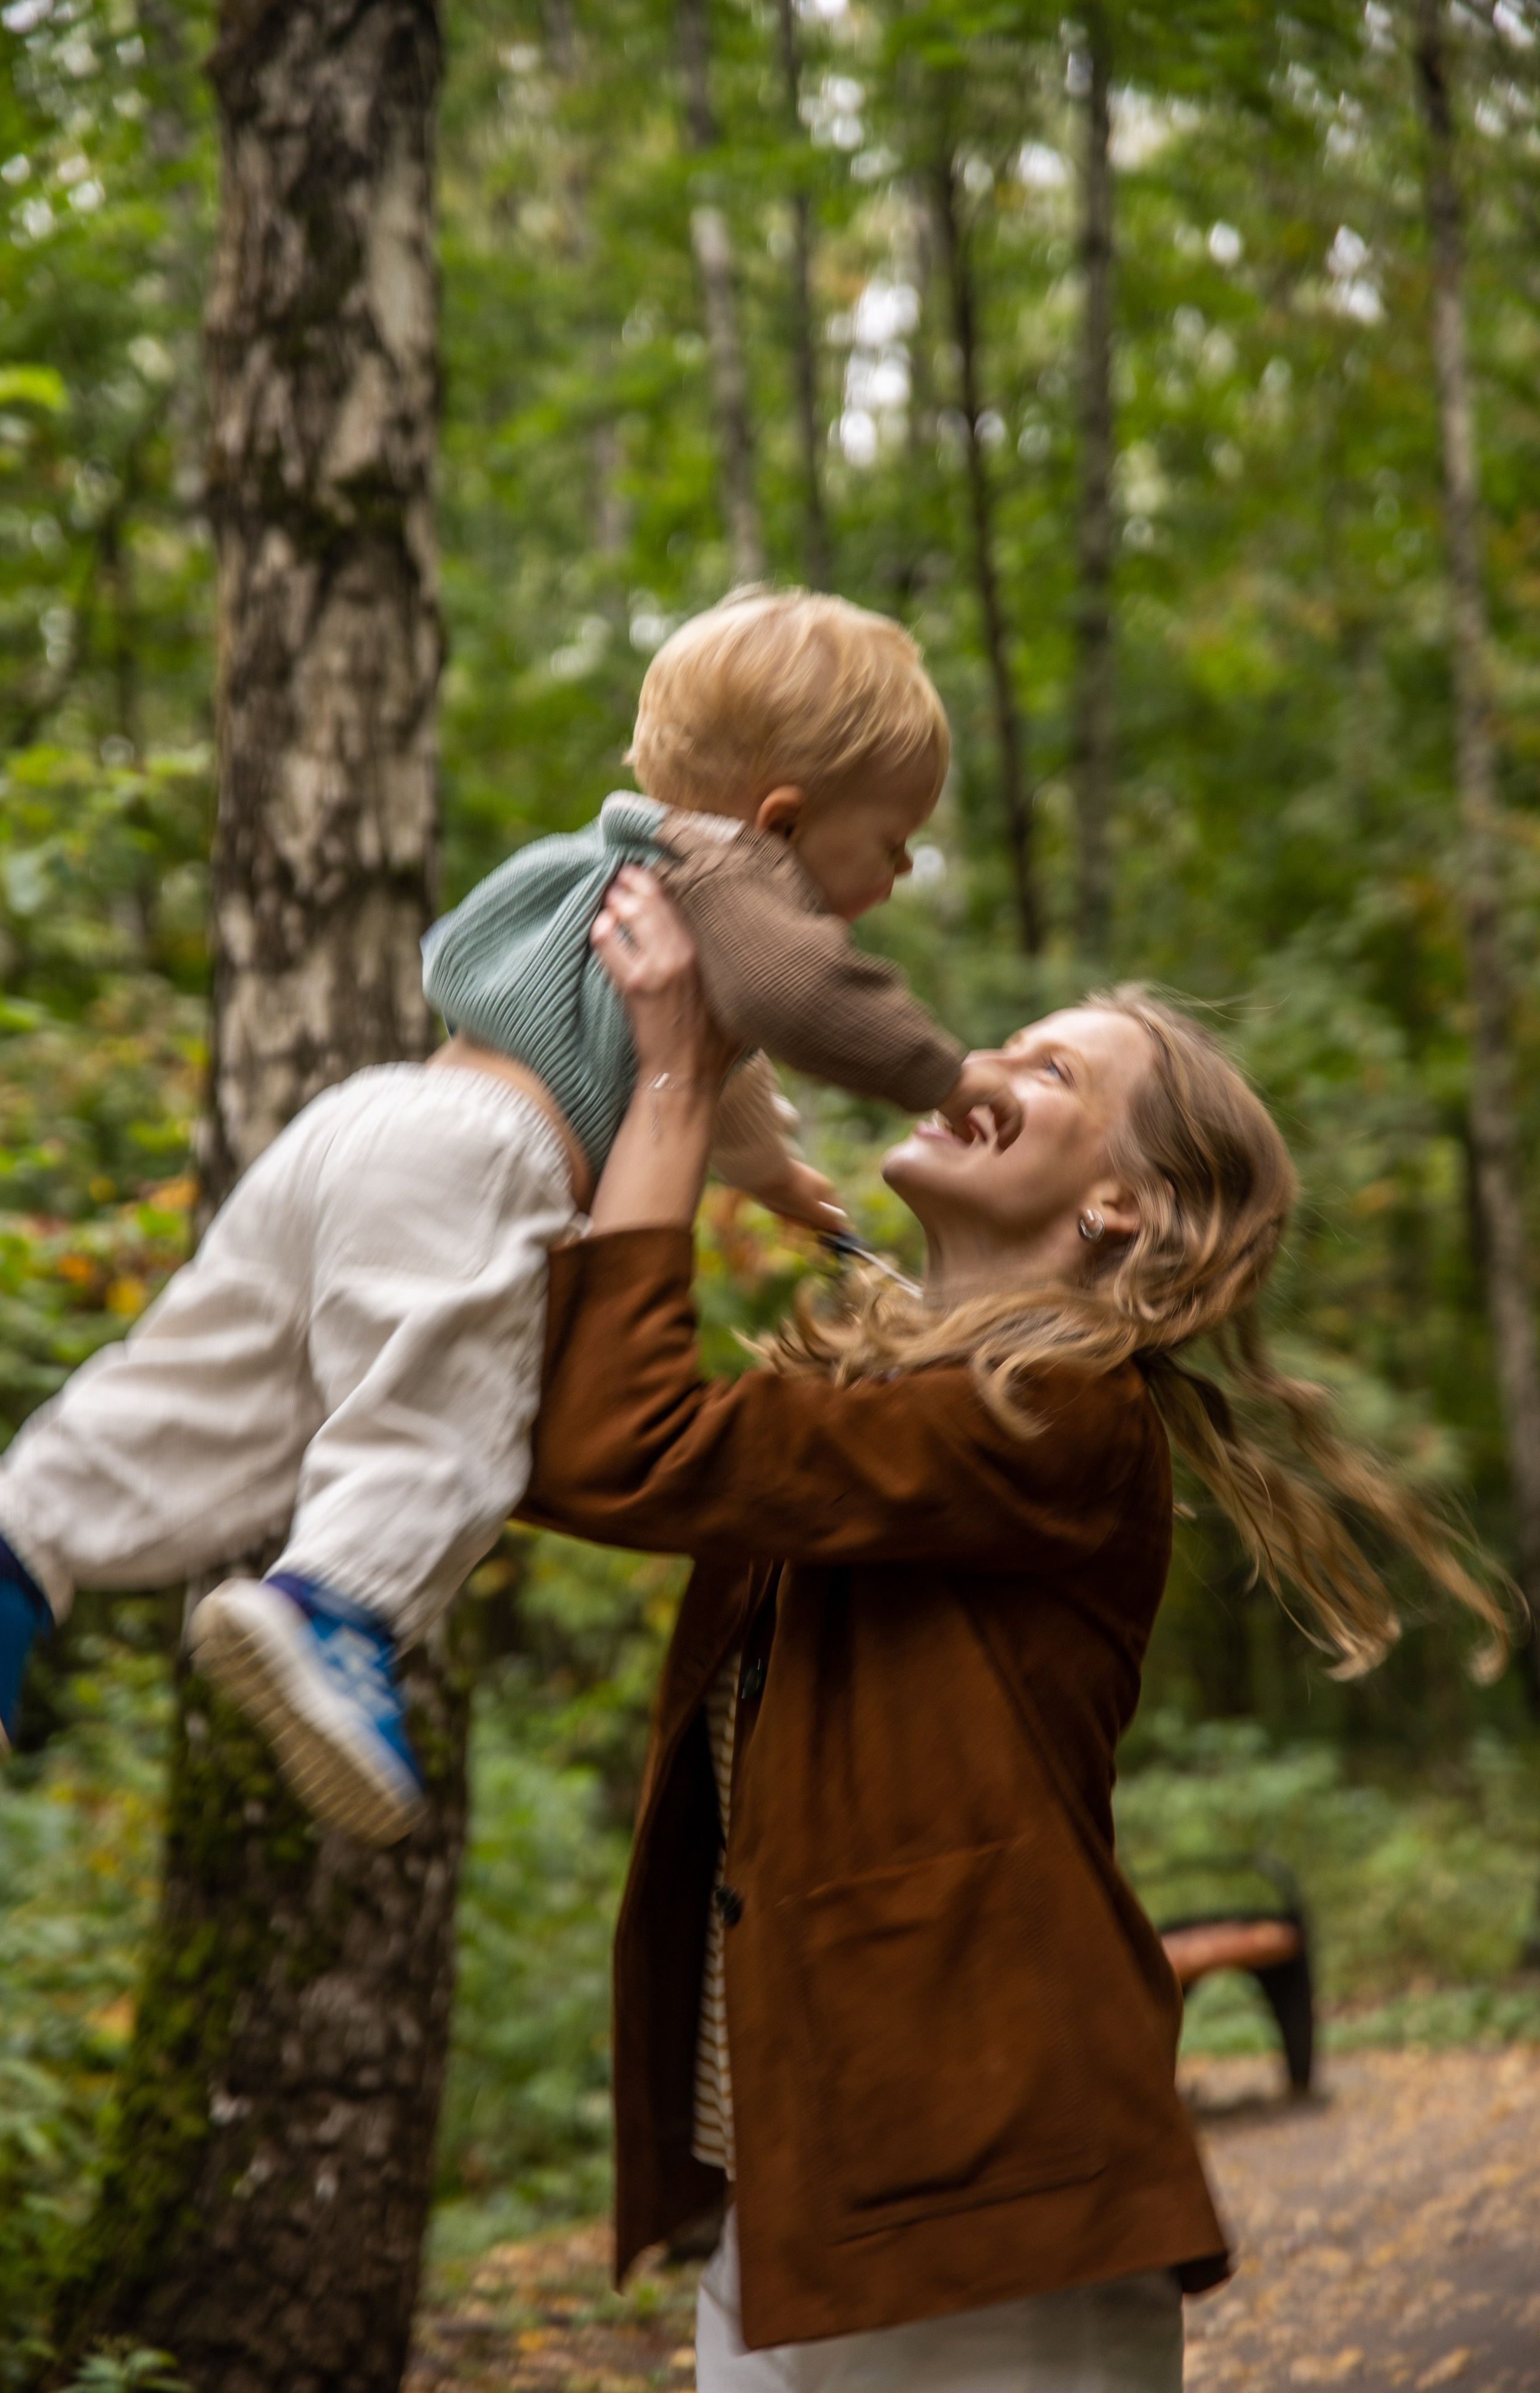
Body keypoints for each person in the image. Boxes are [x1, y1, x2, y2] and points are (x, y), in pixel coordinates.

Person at [521, 866, 1509, 2393]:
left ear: (1120, 1206)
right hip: (816, 2188)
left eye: (1048, 1070)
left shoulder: (1055, 1419)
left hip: (981, 2196)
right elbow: (572, 1424)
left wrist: (667, 1080)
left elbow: (618, 1445)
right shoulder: (915, 1411)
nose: (980, 1066)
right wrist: (686, 1118)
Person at [0, 589, 1018, 1848]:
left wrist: (773, 1179)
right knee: (444, 1423)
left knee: (213, 1390)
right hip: (481, 1160)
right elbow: (800, 996)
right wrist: (950, 1075)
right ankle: (337, 1607)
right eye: (890, 843)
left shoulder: (620, 879)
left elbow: (713, 1069)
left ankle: (6, 1552)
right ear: (780, 820)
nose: (894, 875)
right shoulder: (732, 878)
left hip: (367, 1123)